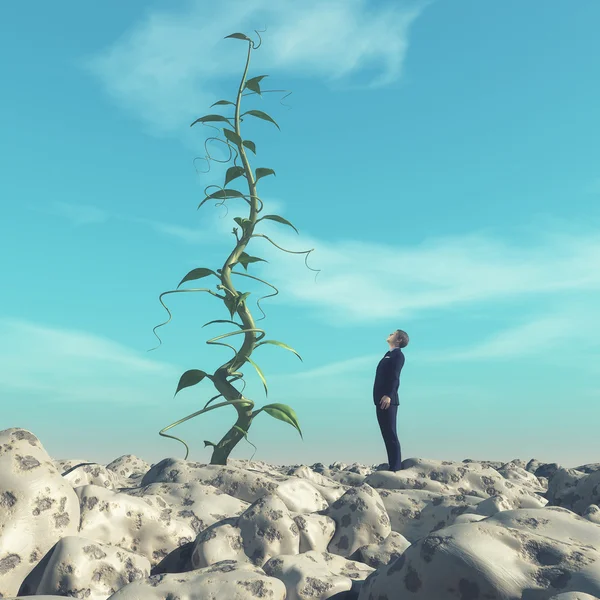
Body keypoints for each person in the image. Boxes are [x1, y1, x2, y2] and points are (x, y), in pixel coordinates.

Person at [373, 329, 408, 471]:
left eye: (393, 333)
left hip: (388, 400)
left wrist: (389, 394)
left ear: (399, 339)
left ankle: (395, 467)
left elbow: (395, 377)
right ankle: (392, 464)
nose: (389, 334)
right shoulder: (388, 354)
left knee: (391, 433)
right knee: (385, 433)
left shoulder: (398, 355)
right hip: (379, 399)